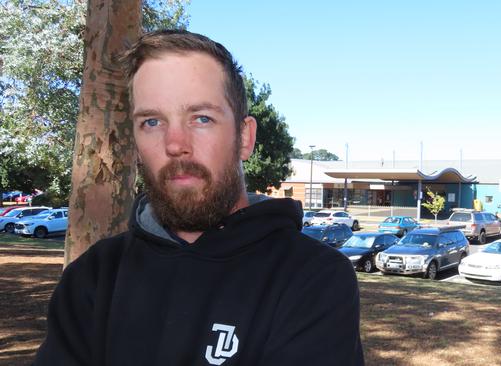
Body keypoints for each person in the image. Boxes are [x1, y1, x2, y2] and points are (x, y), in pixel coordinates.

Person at [34, 30, 364, 365]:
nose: (175, 143)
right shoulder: (93, 276)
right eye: (151, 121)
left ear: (244, 137)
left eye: (202, 118)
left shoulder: (313, 278)